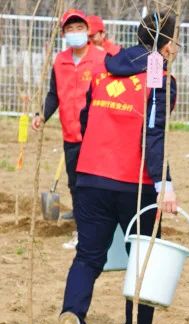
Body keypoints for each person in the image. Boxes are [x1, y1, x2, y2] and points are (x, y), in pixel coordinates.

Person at [57, 10, 179, 324]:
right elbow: (154, 134)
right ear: (167, 44)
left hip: (91, 176)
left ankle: (73, 316)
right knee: (142, 259)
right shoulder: (158, 76)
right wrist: (164, 184)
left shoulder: (105, 67)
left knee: (88, 256)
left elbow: (83, 119)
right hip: (134, 183)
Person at [31, 9, 105, 248]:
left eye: (79, 28)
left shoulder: (100, 59)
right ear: (64, 33)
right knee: (75, 185)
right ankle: (82, 233)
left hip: (96, 135)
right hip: (71, 134)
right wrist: (42, 115)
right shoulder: (60, 61)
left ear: (87, 31)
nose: (75, 33)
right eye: (70, 29)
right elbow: (54, 94)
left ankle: (101, 231)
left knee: (95, 184)